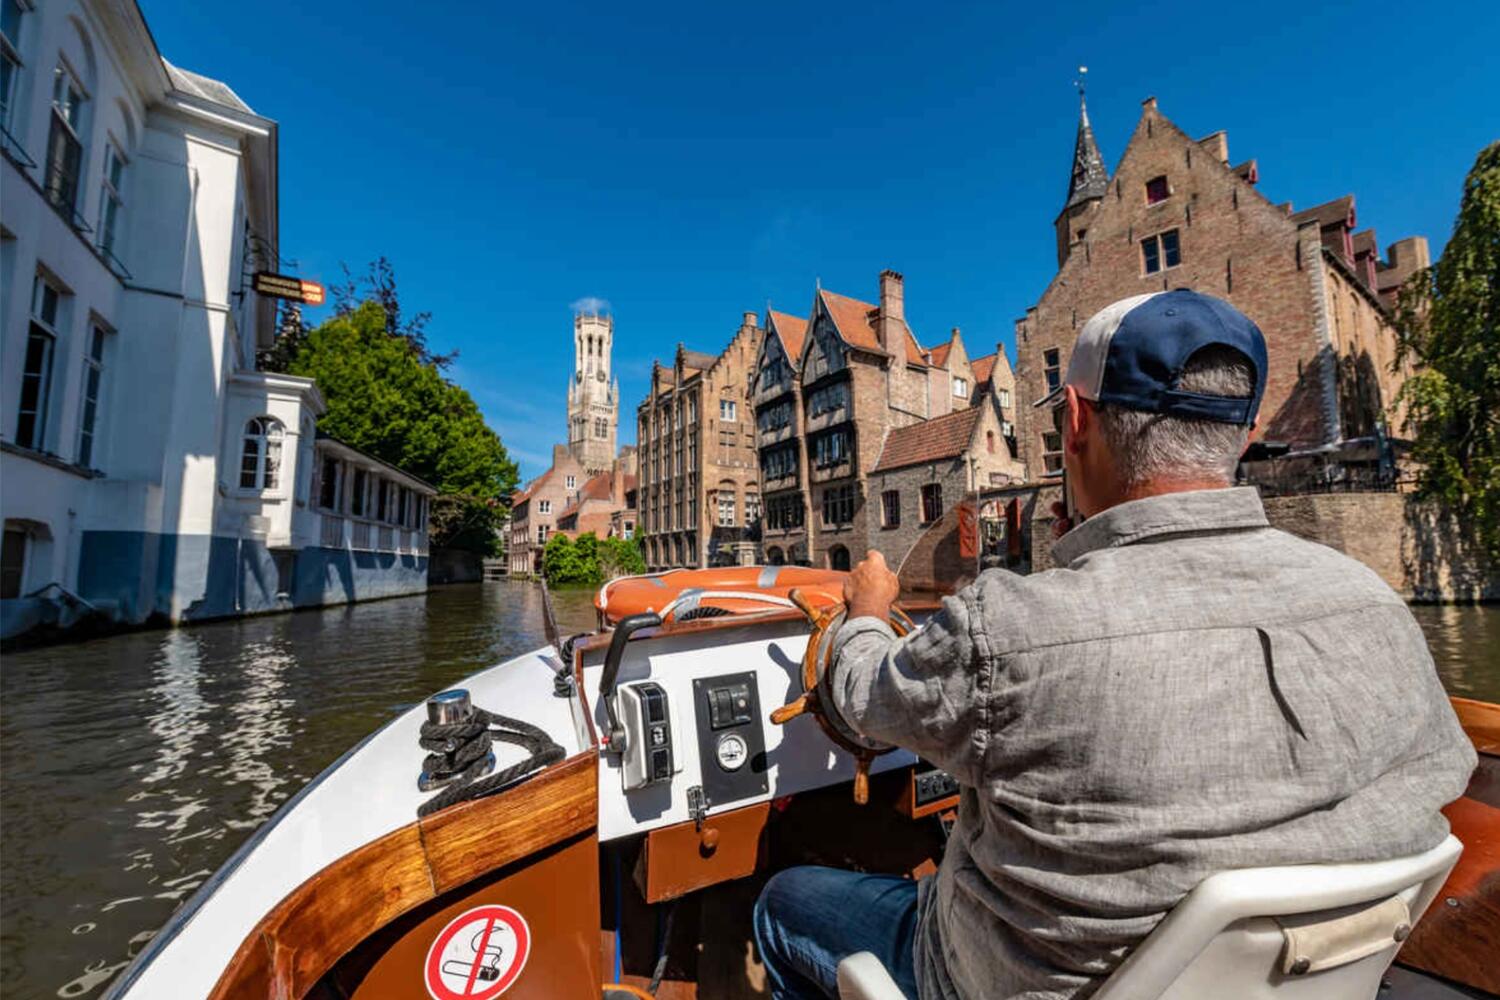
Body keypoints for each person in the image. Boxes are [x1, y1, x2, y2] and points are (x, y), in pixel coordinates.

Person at [752, 289, 1477, 1000]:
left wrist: (869, 612)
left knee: (782, 901)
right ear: (1246, 432)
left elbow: (860, 700)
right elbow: (1448, 773)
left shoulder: (1009, 630)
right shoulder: (1375, 602)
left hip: (996, 979)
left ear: (1073, 421)